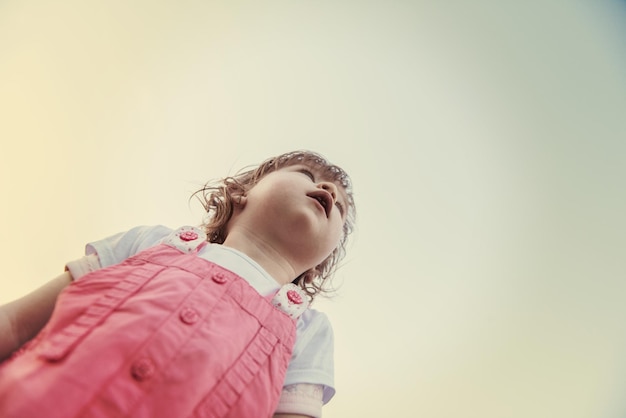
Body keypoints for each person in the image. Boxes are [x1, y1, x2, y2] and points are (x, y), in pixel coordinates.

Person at [0, 150, 356, 418]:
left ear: (319, 262)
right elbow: (16, 324)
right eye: (306, 174)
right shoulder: (149, 242)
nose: (327, 190)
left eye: (339, 205)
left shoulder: (308, 331)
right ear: (240, 193)